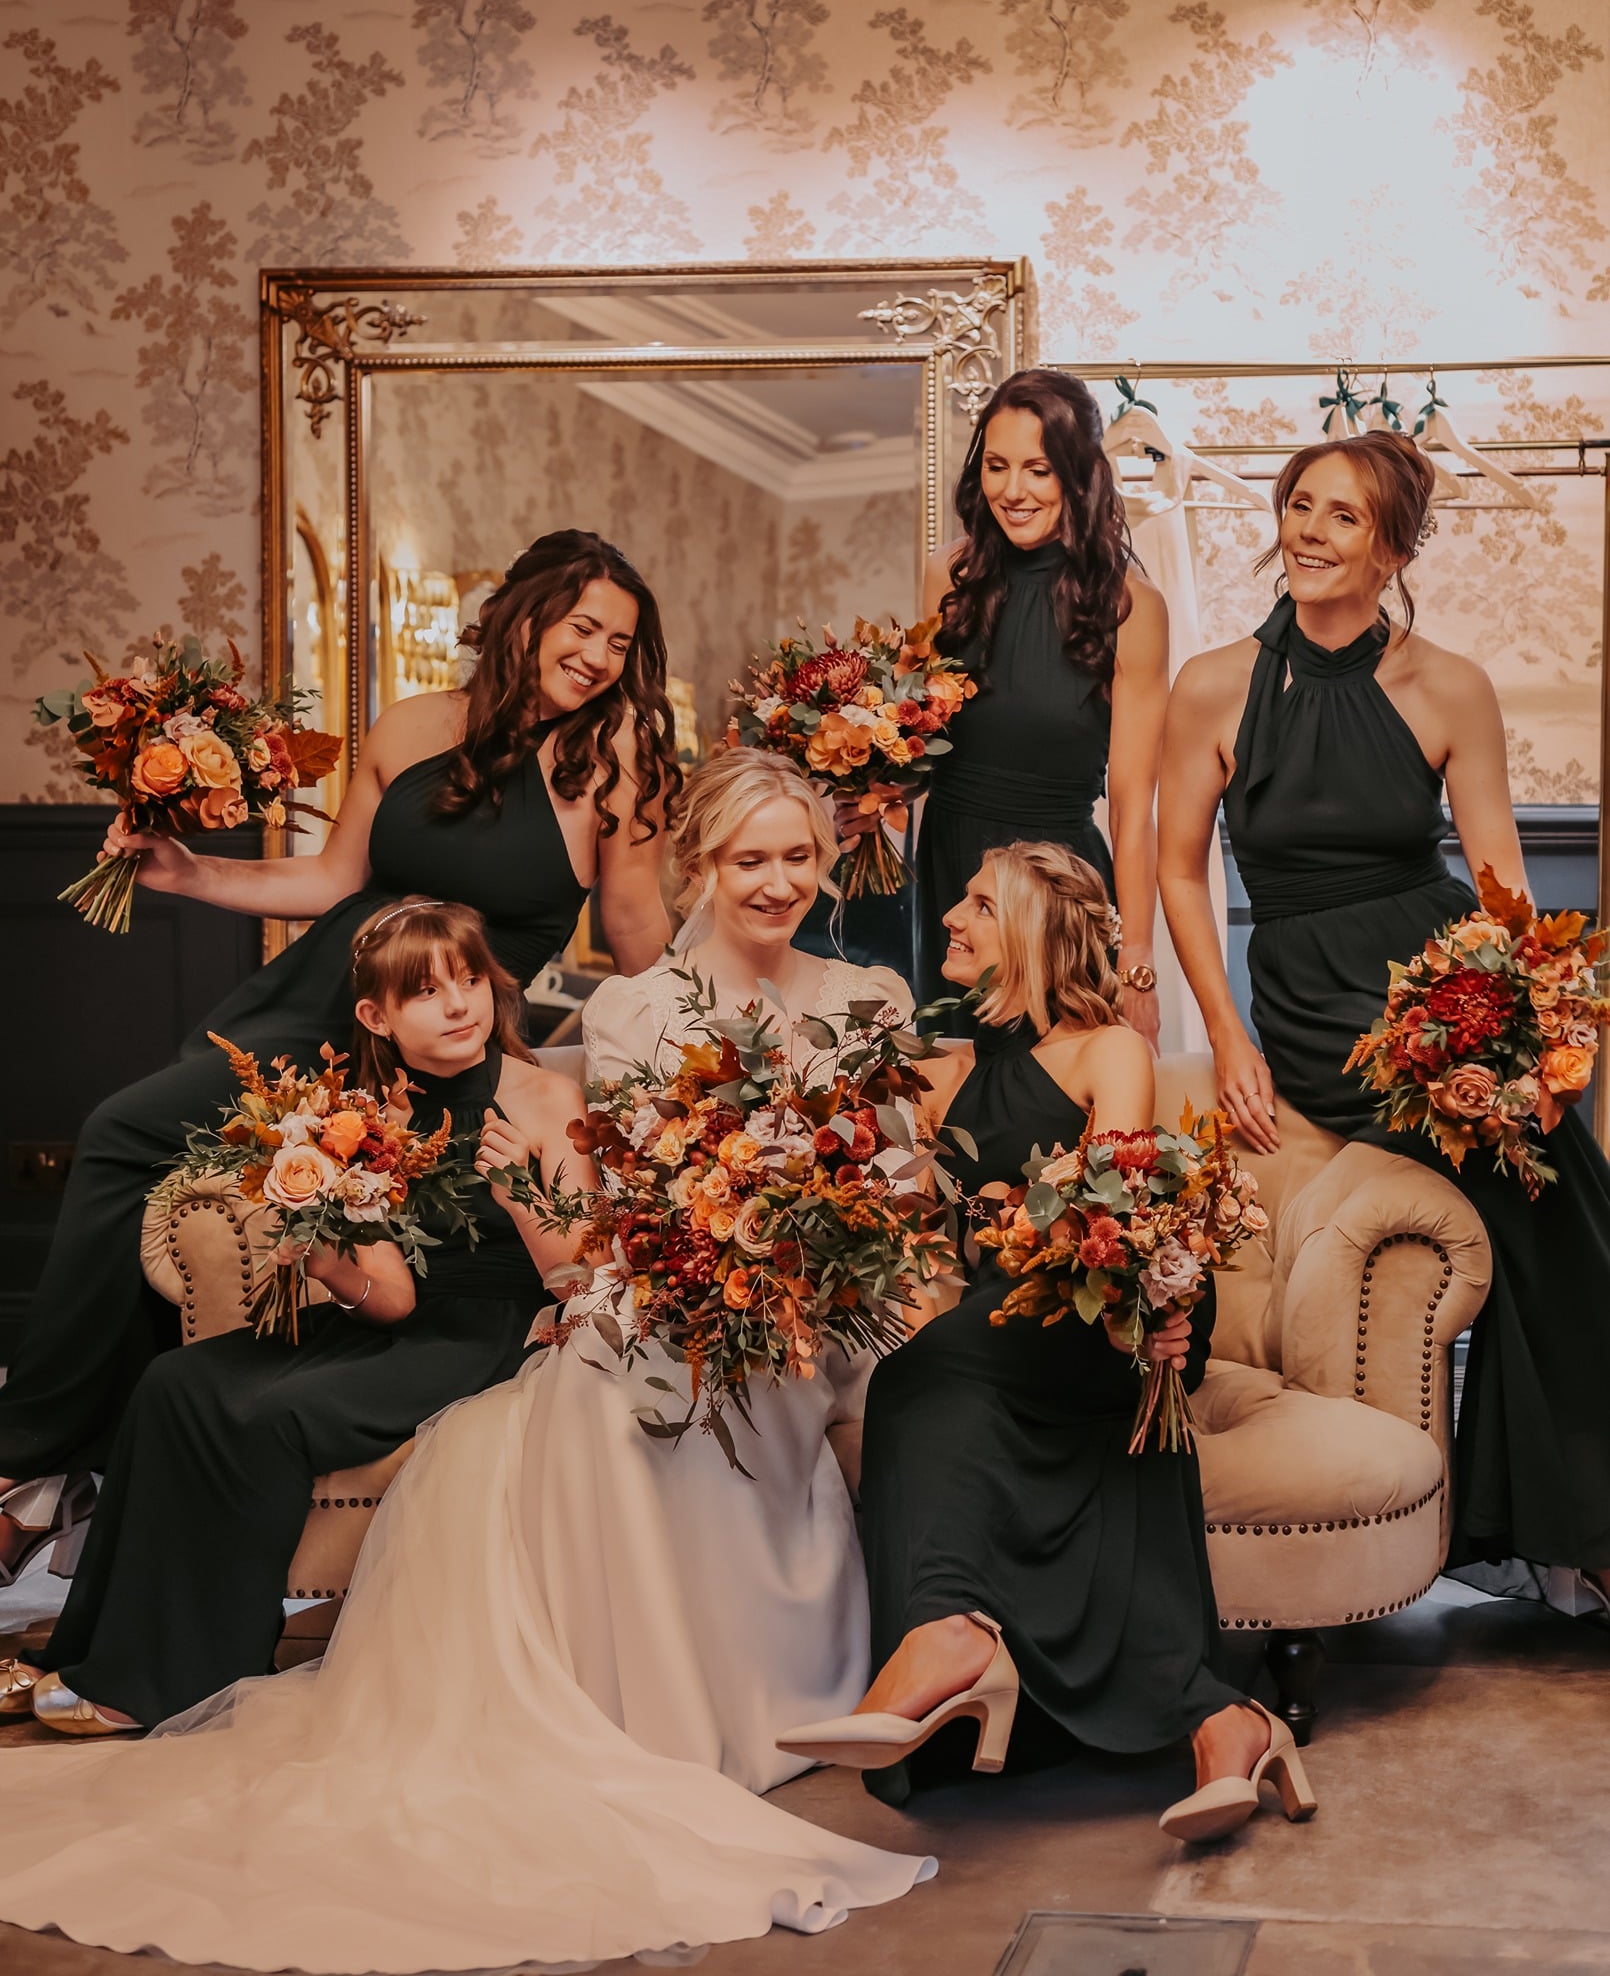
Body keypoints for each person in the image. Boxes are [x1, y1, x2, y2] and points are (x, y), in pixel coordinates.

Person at [0, 747, 933, 1972]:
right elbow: (622, 1209)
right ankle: (622, 1702)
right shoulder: (633, 1008)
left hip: (801, 1309)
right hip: (672, 1284)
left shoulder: (869, 999)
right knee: (599, 1391)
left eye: (797, 856)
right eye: (748, 857)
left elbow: (894, 1180)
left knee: (621, 1379)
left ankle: (745, 1691)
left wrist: (817, 1219)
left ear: (827, 861)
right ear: (701, 862)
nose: (774, 880)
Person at [0, 529, 681, 1582]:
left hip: (438, 1057)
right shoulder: (413, 724)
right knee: (128, 1137)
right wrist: (190, 876)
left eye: (618, 642)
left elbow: (641, 948)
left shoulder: (611, 768)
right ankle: (41, 1466)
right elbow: (331, 881)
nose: (595, 654)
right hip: (305, 1013)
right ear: (525, 614)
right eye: (581, 625)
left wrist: (718, 1005)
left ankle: (55, 1474)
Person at [780, 841, 1315, 1844]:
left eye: (979, 904)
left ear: (1032, 930)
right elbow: (909, 1220)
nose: (952, 917)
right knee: (930, 1366)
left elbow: (1113, 1211)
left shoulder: (1102, 1048)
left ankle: (945, 1634)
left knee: (919, 1372)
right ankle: (1225, 1721)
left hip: (1117, 1309)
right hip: (1001, 1327)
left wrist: (1004, 1215)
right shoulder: (937, 1071)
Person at [1156, 429, 1610, 1603]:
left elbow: (1503, 883)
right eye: (1299, 504)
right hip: (1316, 1005)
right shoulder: (1210, 683)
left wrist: (1530, 1036)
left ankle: (1566, 1526)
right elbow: (1171, 871)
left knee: (1558, 1200)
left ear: (1393, 546)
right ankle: (1576, 1529)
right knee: (1548, 1203)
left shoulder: (1445, 682)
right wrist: (1230, 1035)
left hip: (1442, 988)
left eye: (1341, 515)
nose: (1308, 530)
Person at [0, 898, 594, 1731]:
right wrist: (319, 1247)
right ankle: (93, 1647)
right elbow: (391, 1298)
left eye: (469, 981)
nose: (460, 1005)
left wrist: (523, 1192)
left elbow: (584, 1279)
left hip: (494, 1329)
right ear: (374, 1015)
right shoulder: (363, 1115)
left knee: (269, 1414)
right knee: (175, 1380)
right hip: (403, 1324)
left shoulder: (544, 1096)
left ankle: (181, 1680)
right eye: (426, 992)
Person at [914, 369, 1169, 1042]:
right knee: (949, 1097)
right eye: (998, 466)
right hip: (950, 869)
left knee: (1058, 1106)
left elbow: (1133, 804)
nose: (1013, 491)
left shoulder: (1131, 608)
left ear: (1079, 475)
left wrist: (1135, 960)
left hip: (1059, 889)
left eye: (1039, 469)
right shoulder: (948, 577)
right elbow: (917, 736)